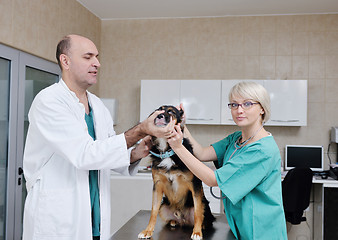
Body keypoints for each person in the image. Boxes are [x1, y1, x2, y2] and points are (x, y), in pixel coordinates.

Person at [22, 34, 174, 240]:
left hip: (94, 216)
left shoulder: (98, 106)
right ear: (65, 61)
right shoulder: (49, 101)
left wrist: (136, 152)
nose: (97, 63)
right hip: (59, 217)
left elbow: (106, 152)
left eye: (97, 57)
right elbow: (84, 154)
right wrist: (140, 129)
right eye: (88, 57)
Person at [167, 81, 287, 239]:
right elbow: (202, 154)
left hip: (261, 231)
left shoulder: (262, 150)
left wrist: (178, 147)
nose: (239, 110)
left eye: (247, 104)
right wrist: (182, 127)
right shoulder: (237, 138)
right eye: (234, 105)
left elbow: (212, 179)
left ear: (262, 108)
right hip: (240, 226)